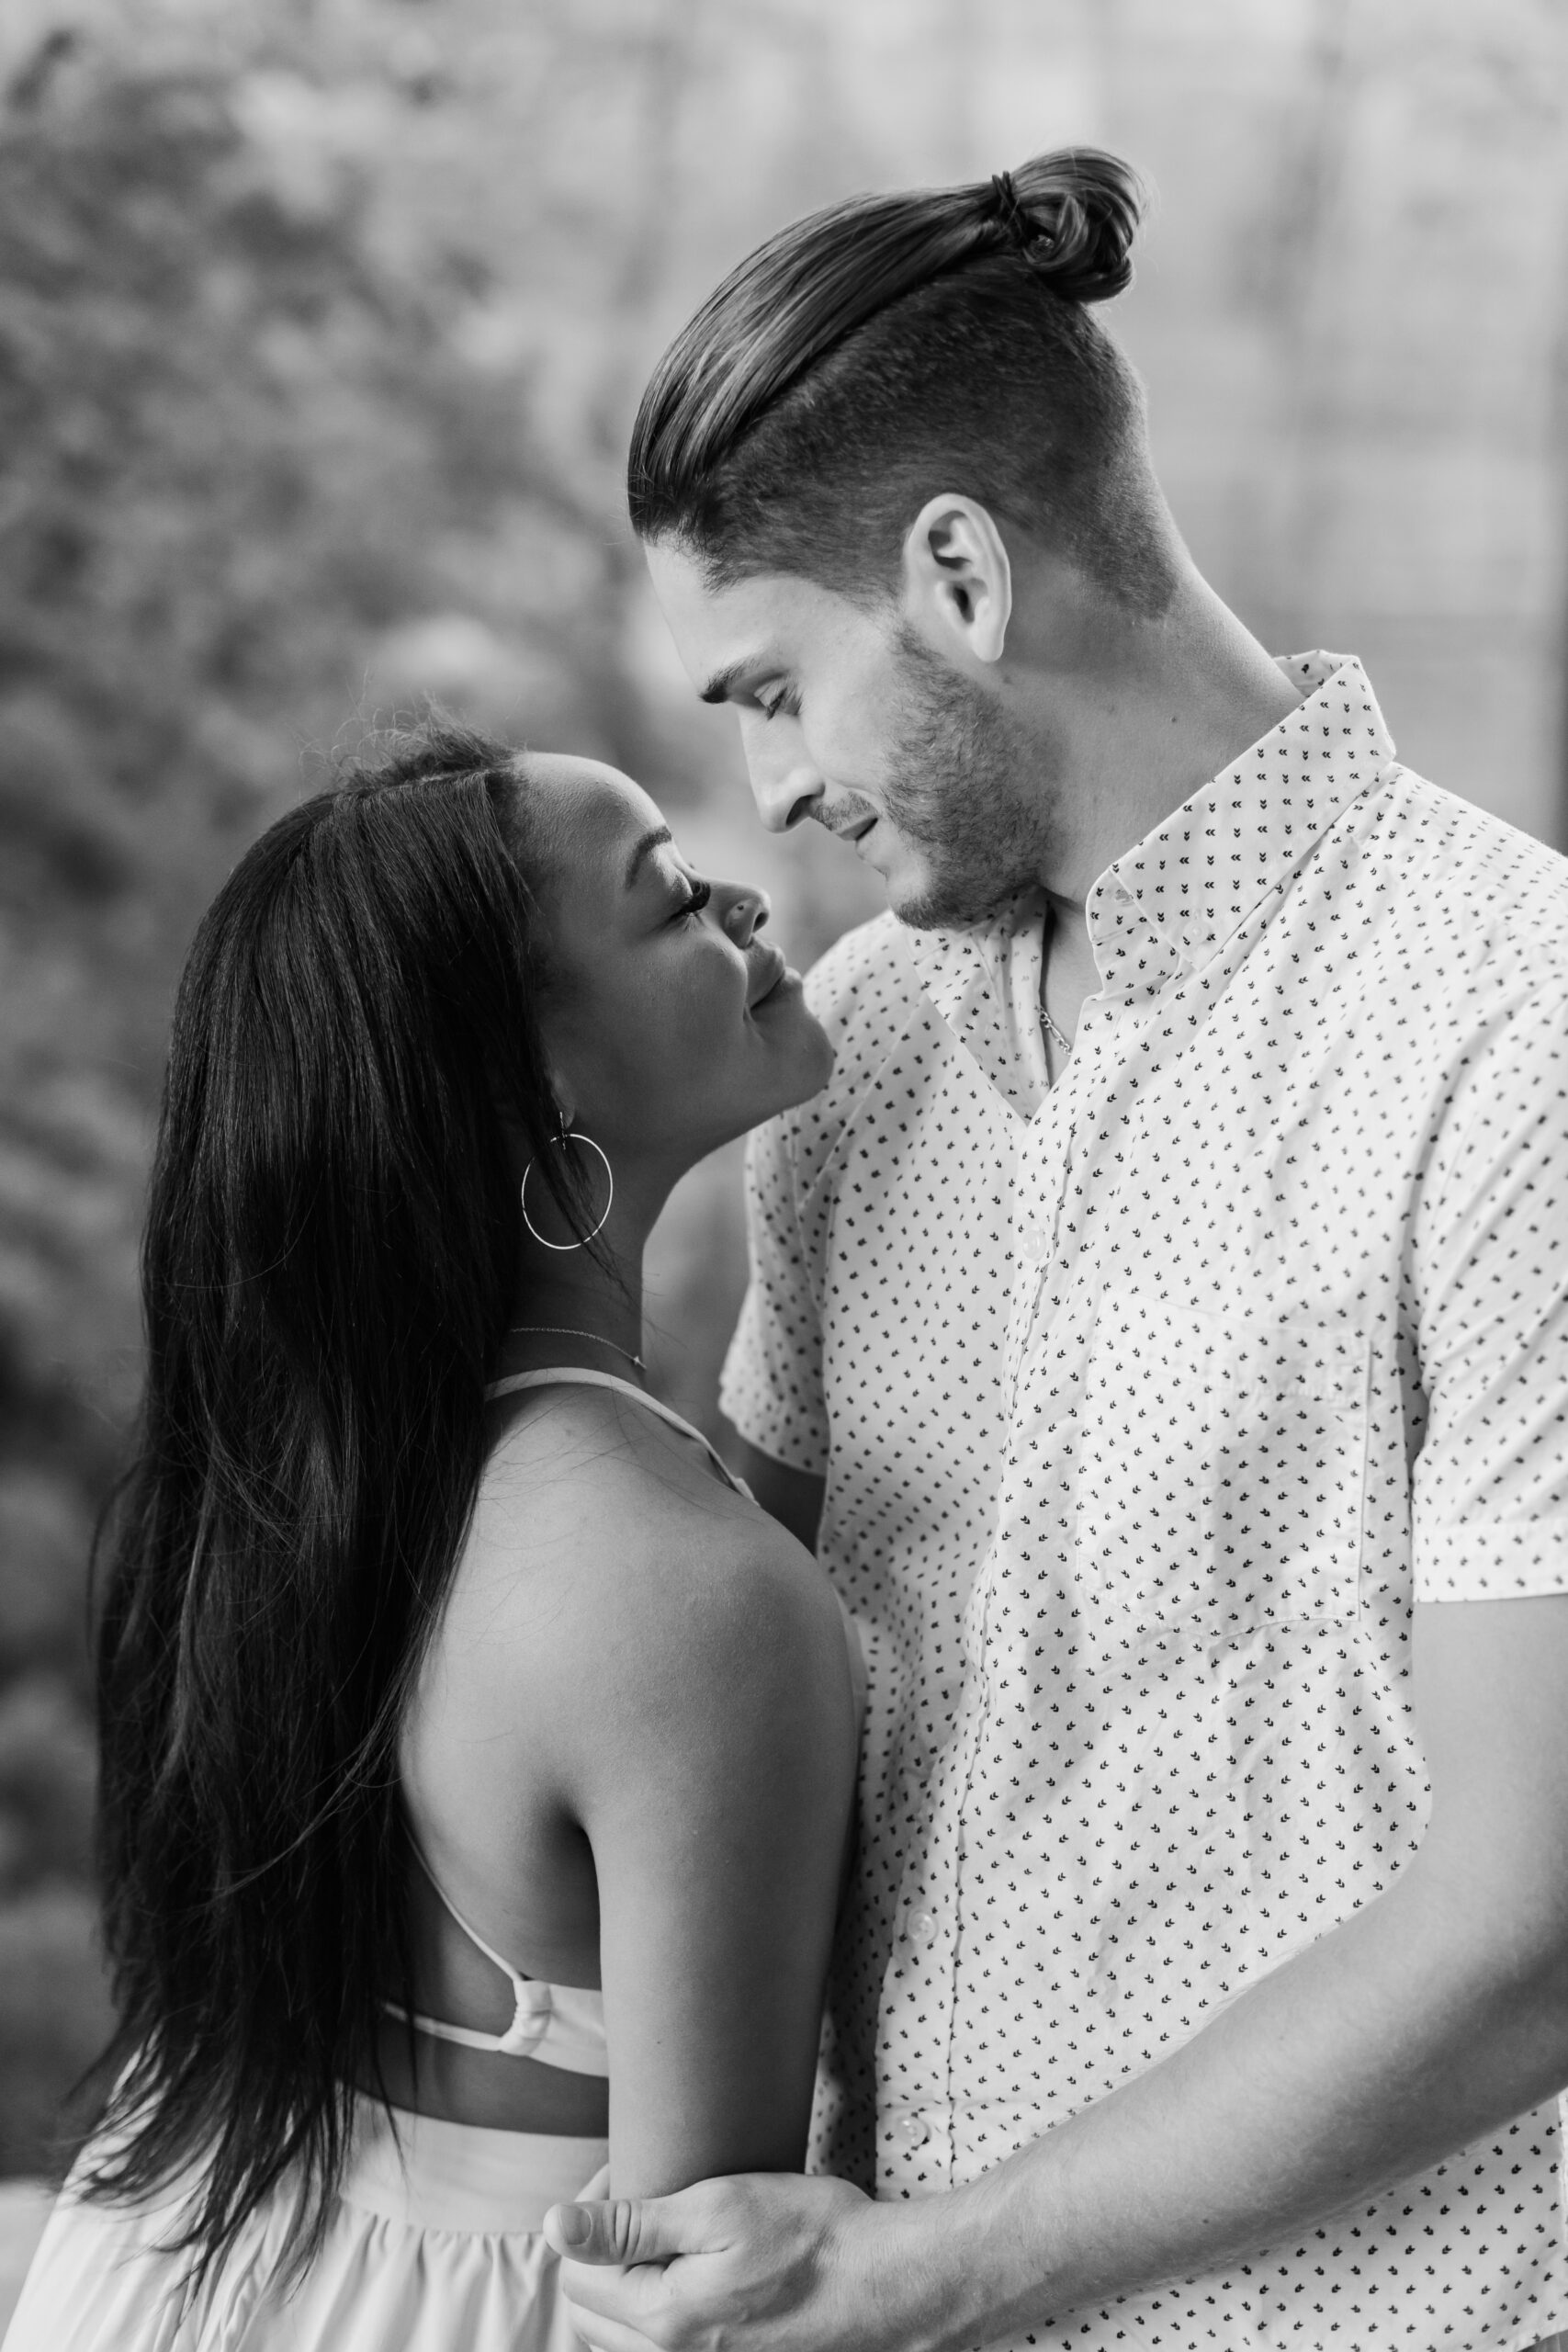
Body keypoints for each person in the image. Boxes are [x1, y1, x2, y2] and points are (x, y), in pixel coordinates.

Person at [547, 150, 1568, 2352]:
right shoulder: (861, 1053)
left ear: (956, 574)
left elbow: (1538, 1909)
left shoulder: (1513, 1025)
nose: (771, 795)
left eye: (766, 692)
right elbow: (732, 1696)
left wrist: (930, 2270)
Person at [3, 721, 860, 2351]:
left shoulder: (289, 1474)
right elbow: (700, 2299)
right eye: (671, 899)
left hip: (169, 2265)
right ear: (530, 1079)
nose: (746, 902)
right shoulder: (684, 1596)